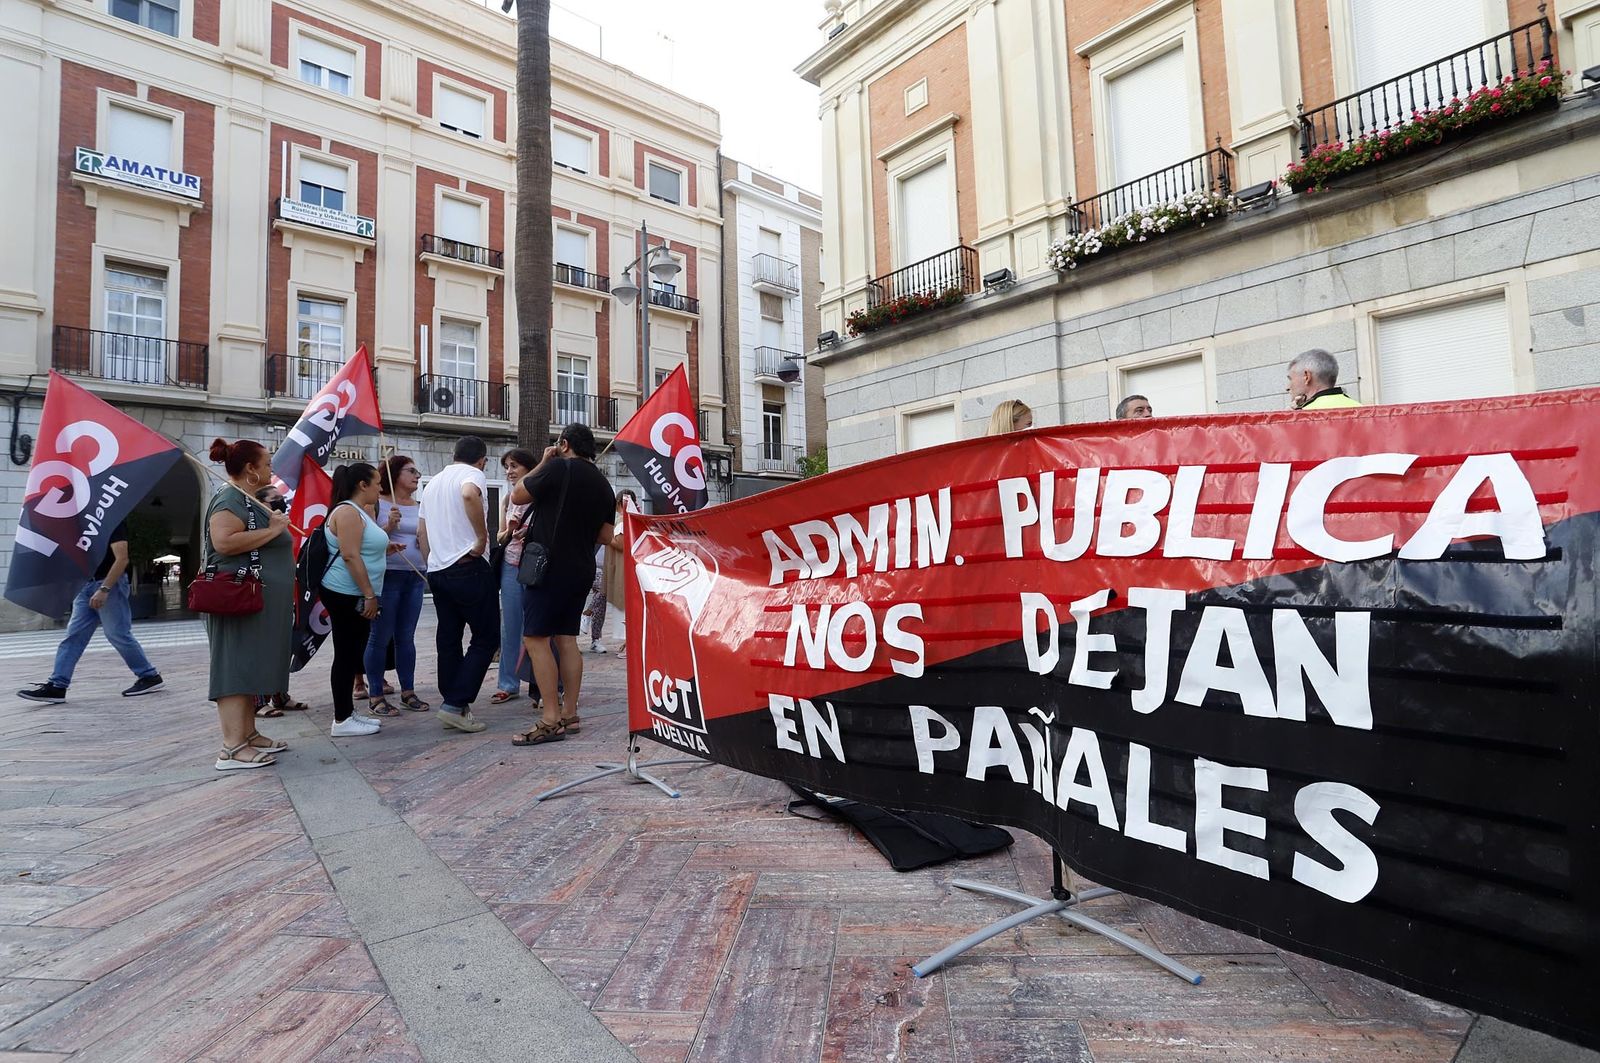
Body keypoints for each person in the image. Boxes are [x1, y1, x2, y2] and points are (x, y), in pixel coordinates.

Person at [510, 423, 617, 746]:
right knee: (567, 639)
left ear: (565, 444)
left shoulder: (557, 467)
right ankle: (570, 713)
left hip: (549, 567)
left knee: (536, 637)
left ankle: (550, 719)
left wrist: (544, 461)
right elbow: (605, 535)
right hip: (580, 568)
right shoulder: (603, 484)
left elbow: (518, 494)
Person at [200, 438, 292, 770]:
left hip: (255, 601)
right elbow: (223, 542)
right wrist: (273, 530)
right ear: (251, 469)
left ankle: (248, 734)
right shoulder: (229, 499)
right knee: (234, 668)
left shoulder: (247, 498)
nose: (271, 469)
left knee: (250, 665)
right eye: (267, 463)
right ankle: (231, 748)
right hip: (236, 600)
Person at [16, 520, 164, 704]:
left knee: (117, 634)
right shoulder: (81, 524)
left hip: (108, 586)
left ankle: (149, 676)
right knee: (73, 637)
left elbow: (122, 559)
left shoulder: (112, 520)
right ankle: (57, 686)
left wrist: (104, 589)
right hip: (85, 585)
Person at [417, 435, 497, 734]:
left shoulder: (434, 482)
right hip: (467, 566)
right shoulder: (472, 474)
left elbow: (422, 530)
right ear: (482, 459)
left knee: (449, 636)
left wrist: (430, 562)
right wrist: (480, 538)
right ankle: (455, 703)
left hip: (439, 569)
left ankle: (453, 700)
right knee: (486, 637)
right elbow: (468, 495)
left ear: (454, 454)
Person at [321, 463, 389, 737]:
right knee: (346, 655)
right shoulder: (348, 511)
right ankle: (341, 719)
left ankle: (347, 712)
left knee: (352, 653)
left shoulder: (357, 511)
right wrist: (369, 594)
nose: (380, 488)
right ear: (363, 485)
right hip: (347, 593)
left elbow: (360, 548)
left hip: (354, 592)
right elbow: (350, 555)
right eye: (377, 483)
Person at [364, 455, 429, 715]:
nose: (417, 476)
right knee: (379, 637)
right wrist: (389, 526)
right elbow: (368, 542)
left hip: (415, 577)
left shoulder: (420, 505)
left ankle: (408, 691)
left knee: (406, 637)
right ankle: (376, 695)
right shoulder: (376, 504)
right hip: (387, 576)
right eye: (411, 471)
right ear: (394, 474)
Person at [253, 483, 308, 717]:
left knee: (282, 644)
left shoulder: (281, 521)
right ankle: (258, 698)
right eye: (274, 498)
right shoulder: (258, 523)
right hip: (266, 589)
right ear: (261, 502)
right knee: (263, 646)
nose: (280, 501)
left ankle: (279, 693)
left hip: (284, 591)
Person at [492, 448, 539, 703]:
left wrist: (528, 533)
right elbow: (499, 536)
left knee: (537, 628)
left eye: (514, 466)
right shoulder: (508, 499)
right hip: (511, 564)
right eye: (507, 467)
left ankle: (539, 684)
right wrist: (511, 531)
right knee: (509, 627)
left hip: (535, 566)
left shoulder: (540, 496)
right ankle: (507, 684)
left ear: (529, 469)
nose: (509, 472)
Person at [585, 488, 636, 655]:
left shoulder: (622, 521)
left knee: (610, 599)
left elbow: (620, 544)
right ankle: (590, 625)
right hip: (601, 568)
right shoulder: (622, 520)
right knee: (603, 594)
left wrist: (606, 537)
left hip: (614, 570)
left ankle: (587, 617)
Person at [1287, 348, 1361, 410]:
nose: (1287, 387)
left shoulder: (1301, 418)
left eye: (1291, 379)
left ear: (1307, 377)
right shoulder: (1361, 409)